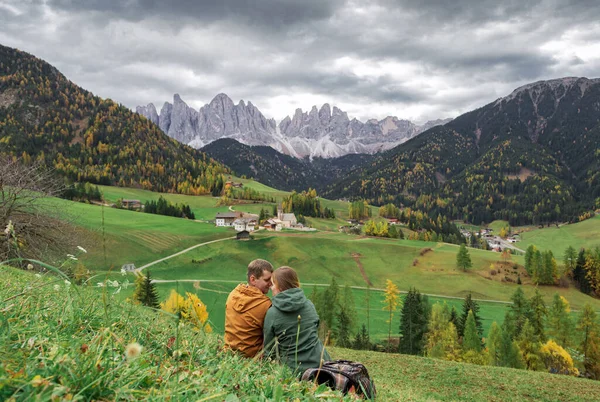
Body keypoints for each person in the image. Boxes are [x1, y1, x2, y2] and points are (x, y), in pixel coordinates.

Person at [263, 266, 330, 373]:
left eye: (273, 284)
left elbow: (269, 351)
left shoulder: (272, 313)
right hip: (322, 365)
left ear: (280, 287)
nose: (271, 287)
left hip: (294, 370)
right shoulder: (309, 305)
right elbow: (314, 330)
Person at [224, 259, 273, 358]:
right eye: (267, 280)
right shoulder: (265, 304)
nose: (271, 284)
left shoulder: (233, 294)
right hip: (252, 358)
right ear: (253, 279)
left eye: (272, 280)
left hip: (228, 352)